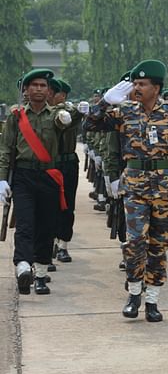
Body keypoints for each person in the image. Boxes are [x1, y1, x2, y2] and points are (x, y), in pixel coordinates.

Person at [83, 60, 168, 321]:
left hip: (164, 189)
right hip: (135, 187)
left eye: (142, 84)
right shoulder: (125, 112)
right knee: (134, 242)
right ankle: (133, 293)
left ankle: (152, 300)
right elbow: (89, 125)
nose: (137, 88)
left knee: (159, 245)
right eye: (135, 84)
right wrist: (107, 102)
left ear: (157, 87)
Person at [1, 69, 79, 295]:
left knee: (46, 225)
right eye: (33, 85)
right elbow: (5, 149)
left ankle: (41, 272)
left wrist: (70, 113)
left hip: (49, 176)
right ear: (25, 90)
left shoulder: (56, 115)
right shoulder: (16, 116)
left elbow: (71, 120)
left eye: (43, 86)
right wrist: (2, 179)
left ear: (49, 91)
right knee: (25, 223)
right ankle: (23, 266)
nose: (38, 89)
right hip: (24, 176)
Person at [49, 79, 83, 264]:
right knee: (49, 205)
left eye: (59, 93)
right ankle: (50, 242)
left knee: (67, 205)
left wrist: (78, 111)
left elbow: (74, 119)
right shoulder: (45, 114)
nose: (55, 96)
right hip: (51, 164)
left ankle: (63, 244)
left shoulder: (69, 112)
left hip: (68, 163)